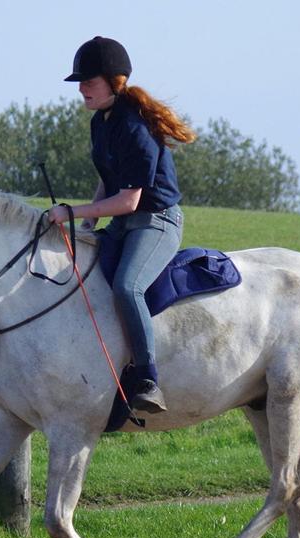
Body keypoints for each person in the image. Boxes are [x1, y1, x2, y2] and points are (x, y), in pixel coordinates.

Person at [47, 36, 196, 414]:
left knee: (128, 288)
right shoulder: (102, 121)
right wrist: (89, 219)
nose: (81, 88)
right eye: (79, 82)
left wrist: (71, 213)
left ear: (116, 81)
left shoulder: (135, 127)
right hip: (122, 222)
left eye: (89, 81)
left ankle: (147, 378)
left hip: (156, 222)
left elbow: (129, 200)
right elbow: (108, 181)